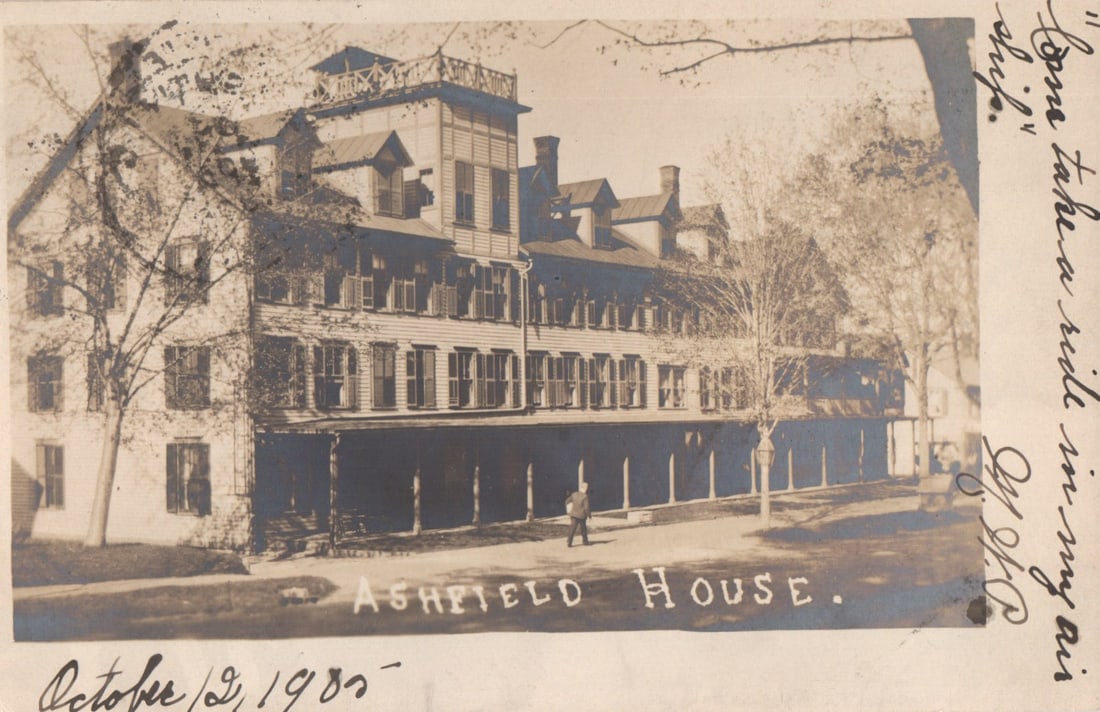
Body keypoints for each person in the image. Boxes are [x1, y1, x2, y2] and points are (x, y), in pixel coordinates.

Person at [566, 482, 591, 547]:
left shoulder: (574, 494)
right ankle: (585, 542)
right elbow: (586, 508)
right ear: (585, 489)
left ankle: (569, 542)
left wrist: (568, 510)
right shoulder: (585, 496)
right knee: (583, 529)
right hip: (582, 515)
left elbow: (567, 501)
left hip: (573, 514)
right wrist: (589, 516)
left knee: (572, 528)